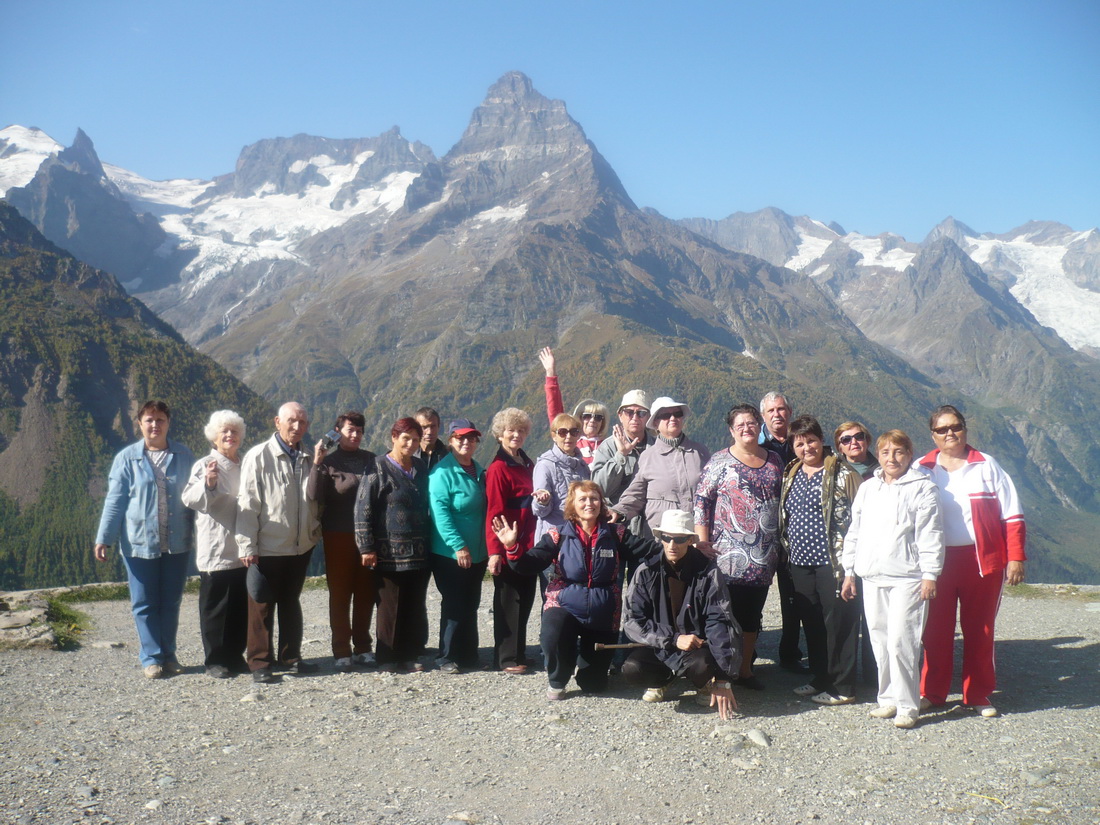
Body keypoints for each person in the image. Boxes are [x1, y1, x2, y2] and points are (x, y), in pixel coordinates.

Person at [493, 480, 657, 700]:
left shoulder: (616, 534)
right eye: (582, 499)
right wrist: (512, 547)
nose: (589, 503)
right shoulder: (557, 535)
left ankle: (587, 666)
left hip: (604, 607)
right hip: (564, 601)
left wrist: (683, 545)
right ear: (572, 505)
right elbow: (527, 564)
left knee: (594, 686)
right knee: (553, 635)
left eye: (594, 498)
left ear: (601, 503)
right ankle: (558, 677)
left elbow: (649, 550)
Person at [916, 405, 1026, 718]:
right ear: (933, 435)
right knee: (935, 631)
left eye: (956, 426)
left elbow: (1012, 514)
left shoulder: (987, 465)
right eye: (942, 429)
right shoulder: (921, 468)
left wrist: (1016, 557)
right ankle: (932, 692)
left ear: (964, 429)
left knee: (981, 630)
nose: (950, 433)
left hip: (983, 560)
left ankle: (977, 694)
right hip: (936, 563)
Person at [841, 430, 944, 729]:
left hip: (908, 577)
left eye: (898, 452)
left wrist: (930, 574)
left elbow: (931, 533)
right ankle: (886, 698)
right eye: (885, 452)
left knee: (903, 642)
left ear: (909, 455)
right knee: (880, 639)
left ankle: (907, 705)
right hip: (872, 575)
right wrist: (850, 571)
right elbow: (855, 532)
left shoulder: (923, 489)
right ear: (880, 455)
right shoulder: (869, 488)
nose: (891, 458)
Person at [94, 401, 195, 679]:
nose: (154, 425)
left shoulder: (184, 455)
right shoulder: (127, 459)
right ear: (140, 424)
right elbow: (115, 502)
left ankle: (169, 654)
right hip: (138, 544)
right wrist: (104, 538)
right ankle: (151, 657)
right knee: (144, 602)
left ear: (168, 423)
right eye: (149, 420)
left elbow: (197, 498)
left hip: (178, 542)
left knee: (171, 601)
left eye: (160, 420)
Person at [693, 404, 784, 690]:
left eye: (752, 423)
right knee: (721, 615)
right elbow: (701, 502)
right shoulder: (719, 462)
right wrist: (702, 540)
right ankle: (718, 672)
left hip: (764, 557)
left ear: (760, 426)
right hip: (724, 556)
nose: (747, 428)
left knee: (751, 617)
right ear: (732, 430)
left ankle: (745, 671)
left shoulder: (775, 461)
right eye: (741, 424)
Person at [622, 509, 741, 720]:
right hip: (660, 645)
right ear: (660, 539)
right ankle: (662, 680)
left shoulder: (709, 572)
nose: (672, 545)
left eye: (679, 539)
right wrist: (673, 639)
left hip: (696, 649)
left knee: (703, 665)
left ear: (690, 540)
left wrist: (723, 679)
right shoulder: (645, 571)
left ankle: (704, 683)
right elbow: (632, 621)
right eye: (666, 538)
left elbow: (720, 621)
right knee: (632, 669)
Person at [778, 415, 862, 705]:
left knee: (839, 622)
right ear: (793, 446)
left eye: (811, 440)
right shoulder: (792, 472)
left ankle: (843, 687)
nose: (806, 447)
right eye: (799, 443)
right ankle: (821, 678)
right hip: (800, 562)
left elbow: (860, 516)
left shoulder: (843, 473)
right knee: (812, 623)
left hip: (833, 562)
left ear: (821, 440)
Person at [236, 402, 321, 684]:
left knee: (290, 602)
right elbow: (248, 503)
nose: (297, 427)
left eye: (303, 422)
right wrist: (247, 545)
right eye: (292, 421)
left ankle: (291, 657)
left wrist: (313, 532)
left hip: (299, 546)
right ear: (277, 422)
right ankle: (260, 662)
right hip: (269, 546)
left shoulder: (307, 456)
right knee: (260, 603)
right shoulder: (258, 457)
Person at [354, 417, 431, 672]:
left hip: (419, 551)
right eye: (405, 438)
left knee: (413, 604)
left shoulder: (420, 468)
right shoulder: (376, 467)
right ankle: (387, 658)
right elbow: (362, 508)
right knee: (389, 607)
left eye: (415, 439)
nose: (410, 443)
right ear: (394, 438)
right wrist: (366, 547)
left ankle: (409, 655)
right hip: (388, 553)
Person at [308, 410, 377, 671]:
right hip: (338, 534)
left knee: (365, 592)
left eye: (359, 430)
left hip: (368, 536)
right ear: (338, 432)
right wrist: (317, 462)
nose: (356, 434)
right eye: (350, 430)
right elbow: (313, 493)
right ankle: (341, 650)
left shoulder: (371, 460)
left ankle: (363, 647)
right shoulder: (330, 461)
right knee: (340, 593)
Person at [182, 409, 248, 679]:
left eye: (234, 431)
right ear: (214, 437)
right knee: (215, 606)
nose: (230, 435)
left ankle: (235, 655)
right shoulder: (205, 464)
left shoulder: (244, 464)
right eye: (224, 432)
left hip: (242, 546)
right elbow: (189, 498)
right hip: (216, 547)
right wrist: (208, 484)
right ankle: (215, 660)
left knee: (239, 606)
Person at [428, 418, 488, 674]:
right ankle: (447, 656)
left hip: (477, 552)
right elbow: (440, 512)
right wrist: (458, 546)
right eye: (460, 437)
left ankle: (468, 653)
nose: (466, 442)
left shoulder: (478, 469)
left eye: (471, 438)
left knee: (471, 602)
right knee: (454, 603)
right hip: (451, 553)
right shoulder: (442, 473)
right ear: (451, 440)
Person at [484, 407, 539, 674]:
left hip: (528, 543)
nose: (515, 434)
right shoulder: (498, 468)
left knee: (525, 597)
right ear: (500, 434)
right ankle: (505, 658)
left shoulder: (527, 462)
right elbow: (493, 511)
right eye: (510, 430)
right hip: (508, 542)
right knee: (508, 601)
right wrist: (495, 551)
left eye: (520, 430)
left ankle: (519, 652)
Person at [611, 396, 710, 532]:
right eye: (665, 415)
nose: (673, 418)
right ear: (655, 423)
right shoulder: (647, 457)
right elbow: (635, 495)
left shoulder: (701, 452)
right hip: (661, 539)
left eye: (677, 414)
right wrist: (618, 512)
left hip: (697, 536)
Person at [759, 391, 804, 673]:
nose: (777, 414)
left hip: (792, 535)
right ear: (763, 416)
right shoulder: (755, 444)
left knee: (793, 596)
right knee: (753, 595)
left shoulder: (802, 443)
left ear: (790, 411)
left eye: (782, 409)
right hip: (761, 535)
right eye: (771, 410)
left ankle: (790, 653)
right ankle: (746, 652)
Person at [833, 419, 880, 686]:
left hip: (876, 551)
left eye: (859, 436)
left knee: (874, 618)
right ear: (839, 446)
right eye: (846, 439)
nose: (854, 443)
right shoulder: (833, 472)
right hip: (843, 554)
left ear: (868, 439)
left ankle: (875, 678)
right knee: (846, 619)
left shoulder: (884, 468)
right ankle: (845, 678)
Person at [590, 390, 653, 536]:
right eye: (629, 412)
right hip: (617, 527)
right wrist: (621, 455)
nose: (635, 417)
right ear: (620, 415)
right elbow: (599, 489)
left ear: (648, 417)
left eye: (641, 413)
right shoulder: (607, 447)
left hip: (649, 528)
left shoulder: (658, 448)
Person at [538, 347, 609, 464]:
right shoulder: (569, 441)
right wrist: (551, 372)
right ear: (579, 418)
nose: (592, 420)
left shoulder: (609, 446)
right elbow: (555, 411)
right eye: (587, 416)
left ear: (603, 422)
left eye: (598, 417)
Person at [532, 413, 590, 544]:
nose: (568, 437)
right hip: (552, 541)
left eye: (573, 432)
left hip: (578, 539)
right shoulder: (545, 465)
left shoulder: (583, 466)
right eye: (562, 432)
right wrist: (543, 501)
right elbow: (538, 511)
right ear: (554, 436)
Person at [414, 407, 449, 471]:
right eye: (424, 427)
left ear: (438, 427)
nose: (429, 432)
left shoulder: (449, 456)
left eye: (433, 426)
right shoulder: (409, 456)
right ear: (416, 429)